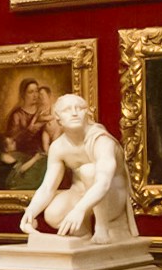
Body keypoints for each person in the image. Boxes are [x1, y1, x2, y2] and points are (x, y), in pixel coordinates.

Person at [20, 94, 139, 245]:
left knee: (89, 171)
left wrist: (79, 210)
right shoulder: (58, 147)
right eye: (67, 110)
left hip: (112, 199)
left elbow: (103, 183)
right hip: (81, 195)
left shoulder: (101, 141)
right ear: (58, 118)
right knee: (53, 214)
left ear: (87, 113)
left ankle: (102, 227)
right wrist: (31, 212)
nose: (74, 113)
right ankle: (83, 234)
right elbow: (47, 187)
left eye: (79, 108)